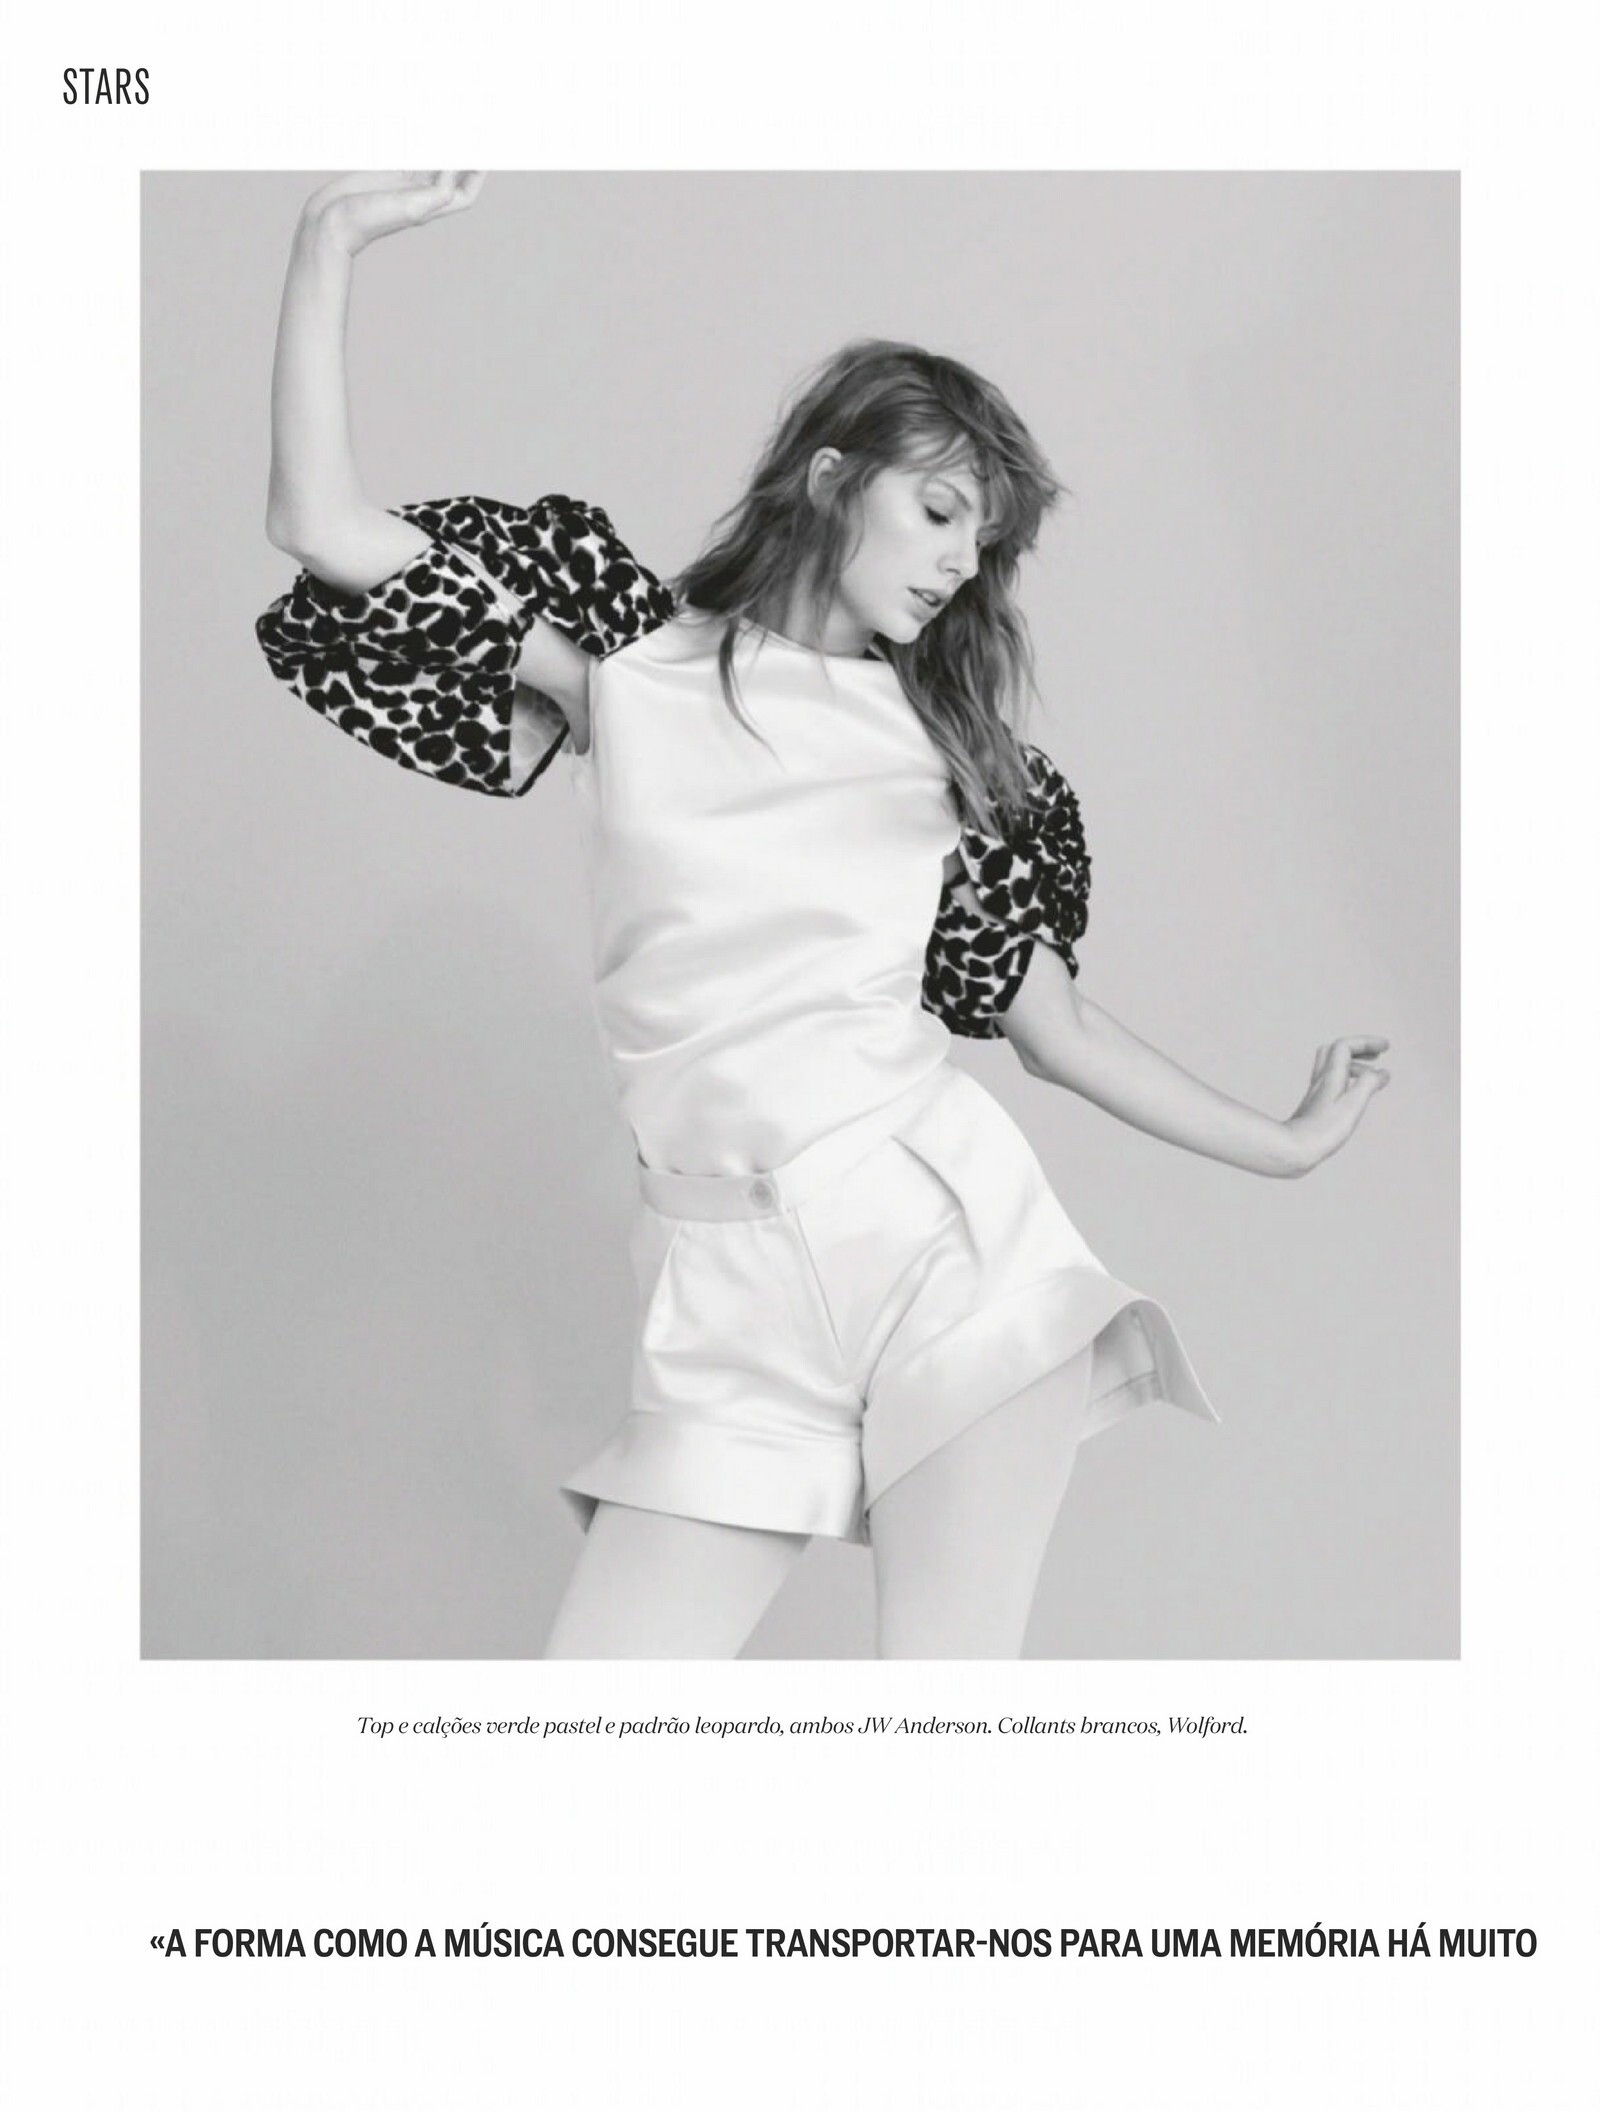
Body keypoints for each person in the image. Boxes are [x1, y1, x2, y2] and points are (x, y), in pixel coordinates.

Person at [256, 172, 1390, 1660]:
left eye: (981, 542)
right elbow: (318, 523)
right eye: (937, 509)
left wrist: (1289, 1144)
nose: (957, 561)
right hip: (716, 1307)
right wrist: (326, 239)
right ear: (828, 472)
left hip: (941, 1262)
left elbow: (1055, 1034)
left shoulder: (951, 758)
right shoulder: (629, 673)